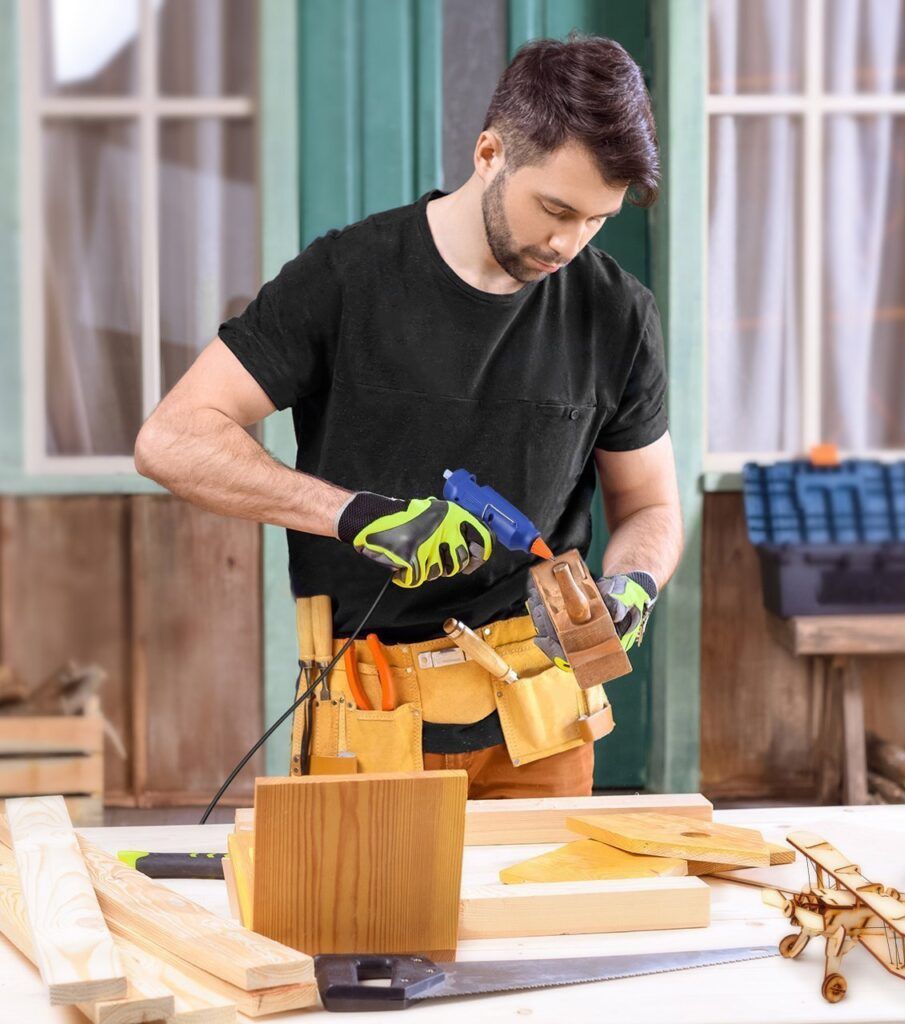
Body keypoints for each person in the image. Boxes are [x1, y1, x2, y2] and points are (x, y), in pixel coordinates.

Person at [134, 33, 683, 798]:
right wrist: (355, 514)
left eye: (598, 219)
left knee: (551, 921)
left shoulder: (617, 312)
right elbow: (170, 439)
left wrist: (634, 583)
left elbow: (651, 504)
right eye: (555, 209)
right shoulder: (345, 278)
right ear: (489, 152)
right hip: (370, 715)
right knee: (361, 919)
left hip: (543, 724)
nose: (569, 242)